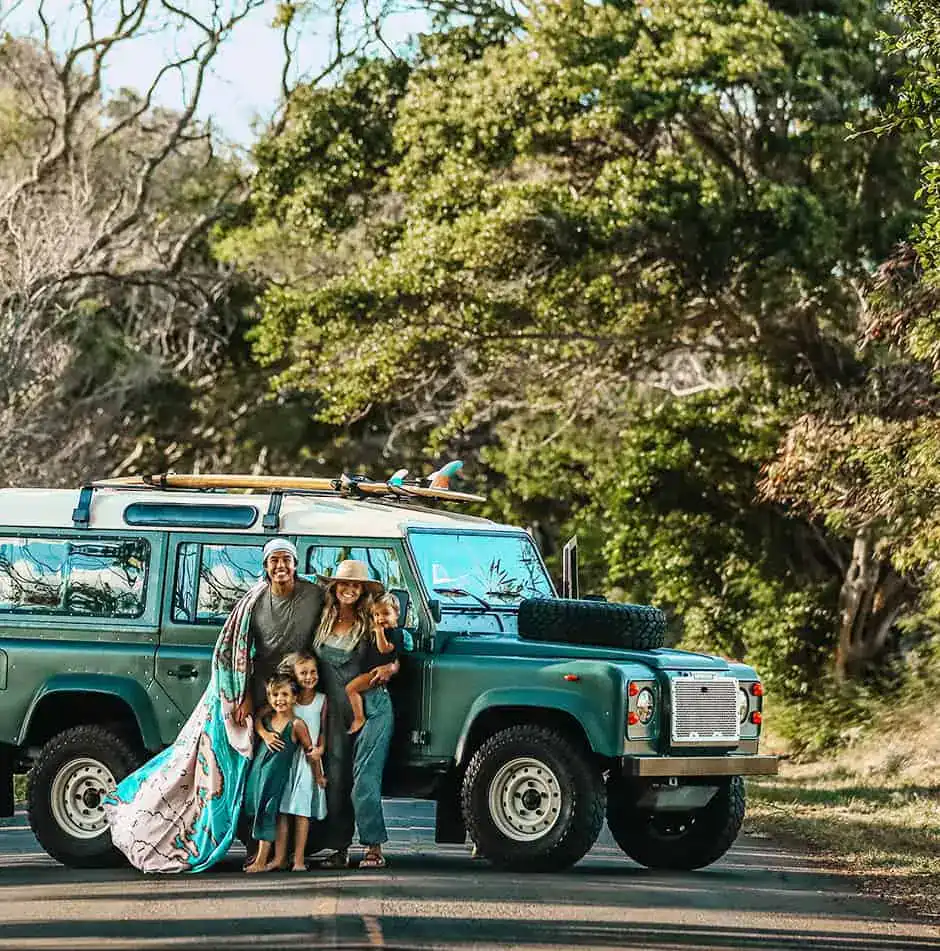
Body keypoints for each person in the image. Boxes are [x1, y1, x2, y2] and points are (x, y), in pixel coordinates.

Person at [104, 537, 321, 874]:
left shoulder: (313, 593)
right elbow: (233, 648)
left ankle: (280, 854)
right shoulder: (253, 602)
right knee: (248, 774)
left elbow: (343, 594)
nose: (280, 567)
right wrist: (242, 695)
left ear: (296, 563)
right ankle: (256, 848)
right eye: (273, 561)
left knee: (286, 777)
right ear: (265, 567)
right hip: (259, 691)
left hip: (294, 694)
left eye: (286, 560)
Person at [306, 559, 386, 869]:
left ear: (363, 590)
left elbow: (393, 655)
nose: (349, 589)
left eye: (356, 585)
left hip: (371, 707)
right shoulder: (323, 619)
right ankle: (339, 848)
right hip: (333, 710)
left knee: (365, 777)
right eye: (344, 584)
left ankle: (373, 848)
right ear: (335, 588)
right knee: (336, 778)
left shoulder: (371, 622)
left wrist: (390, 667)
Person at [243, 673, 316, 873]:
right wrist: (265, 735)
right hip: (259, 773)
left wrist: (319, 776)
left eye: (284, 694)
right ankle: (264, 857)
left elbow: (311, 751)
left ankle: (261, 860)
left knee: (267, 812)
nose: (279, 699)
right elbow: (257, 720)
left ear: (294, 698)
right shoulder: (267, 718)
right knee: (255, 809)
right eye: (275, 695)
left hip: (275, 778)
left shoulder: (297, 725)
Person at [272, 651, 328, 871]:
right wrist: (267, 735)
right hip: (289, 759)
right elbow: (263, 716)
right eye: (303, 672)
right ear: (294, 675)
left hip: (309, 762)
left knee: (302, 810)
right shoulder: (289, 699)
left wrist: (321, 749)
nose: (309, 677)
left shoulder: (323, 700)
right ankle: (279, 858)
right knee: (283, 809)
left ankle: (298, 859)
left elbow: (323, 730)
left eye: (313, 672)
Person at [344, 594, 400, 735]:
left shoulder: (394, 633)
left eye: (386, 613)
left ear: (397, 615)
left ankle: (359, 718)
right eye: (376, 615)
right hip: (368, 671)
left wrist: (379, 632)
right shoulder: (373, 632)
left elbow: (384, 649)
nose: (380, 618)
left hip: (374, 674)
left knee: (351, 689)